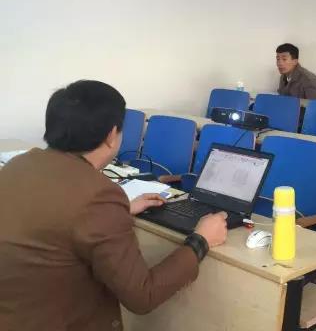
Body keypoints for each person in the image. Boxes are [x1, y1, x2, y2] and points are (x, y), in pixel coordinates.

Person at [0, 80, 228, 330]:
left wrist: (118, 211)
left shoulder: (18, 165)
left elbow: (52, 214)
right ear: (111, 135)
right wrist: (201, 240)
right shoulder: (99, 195)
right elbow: (143, 295)